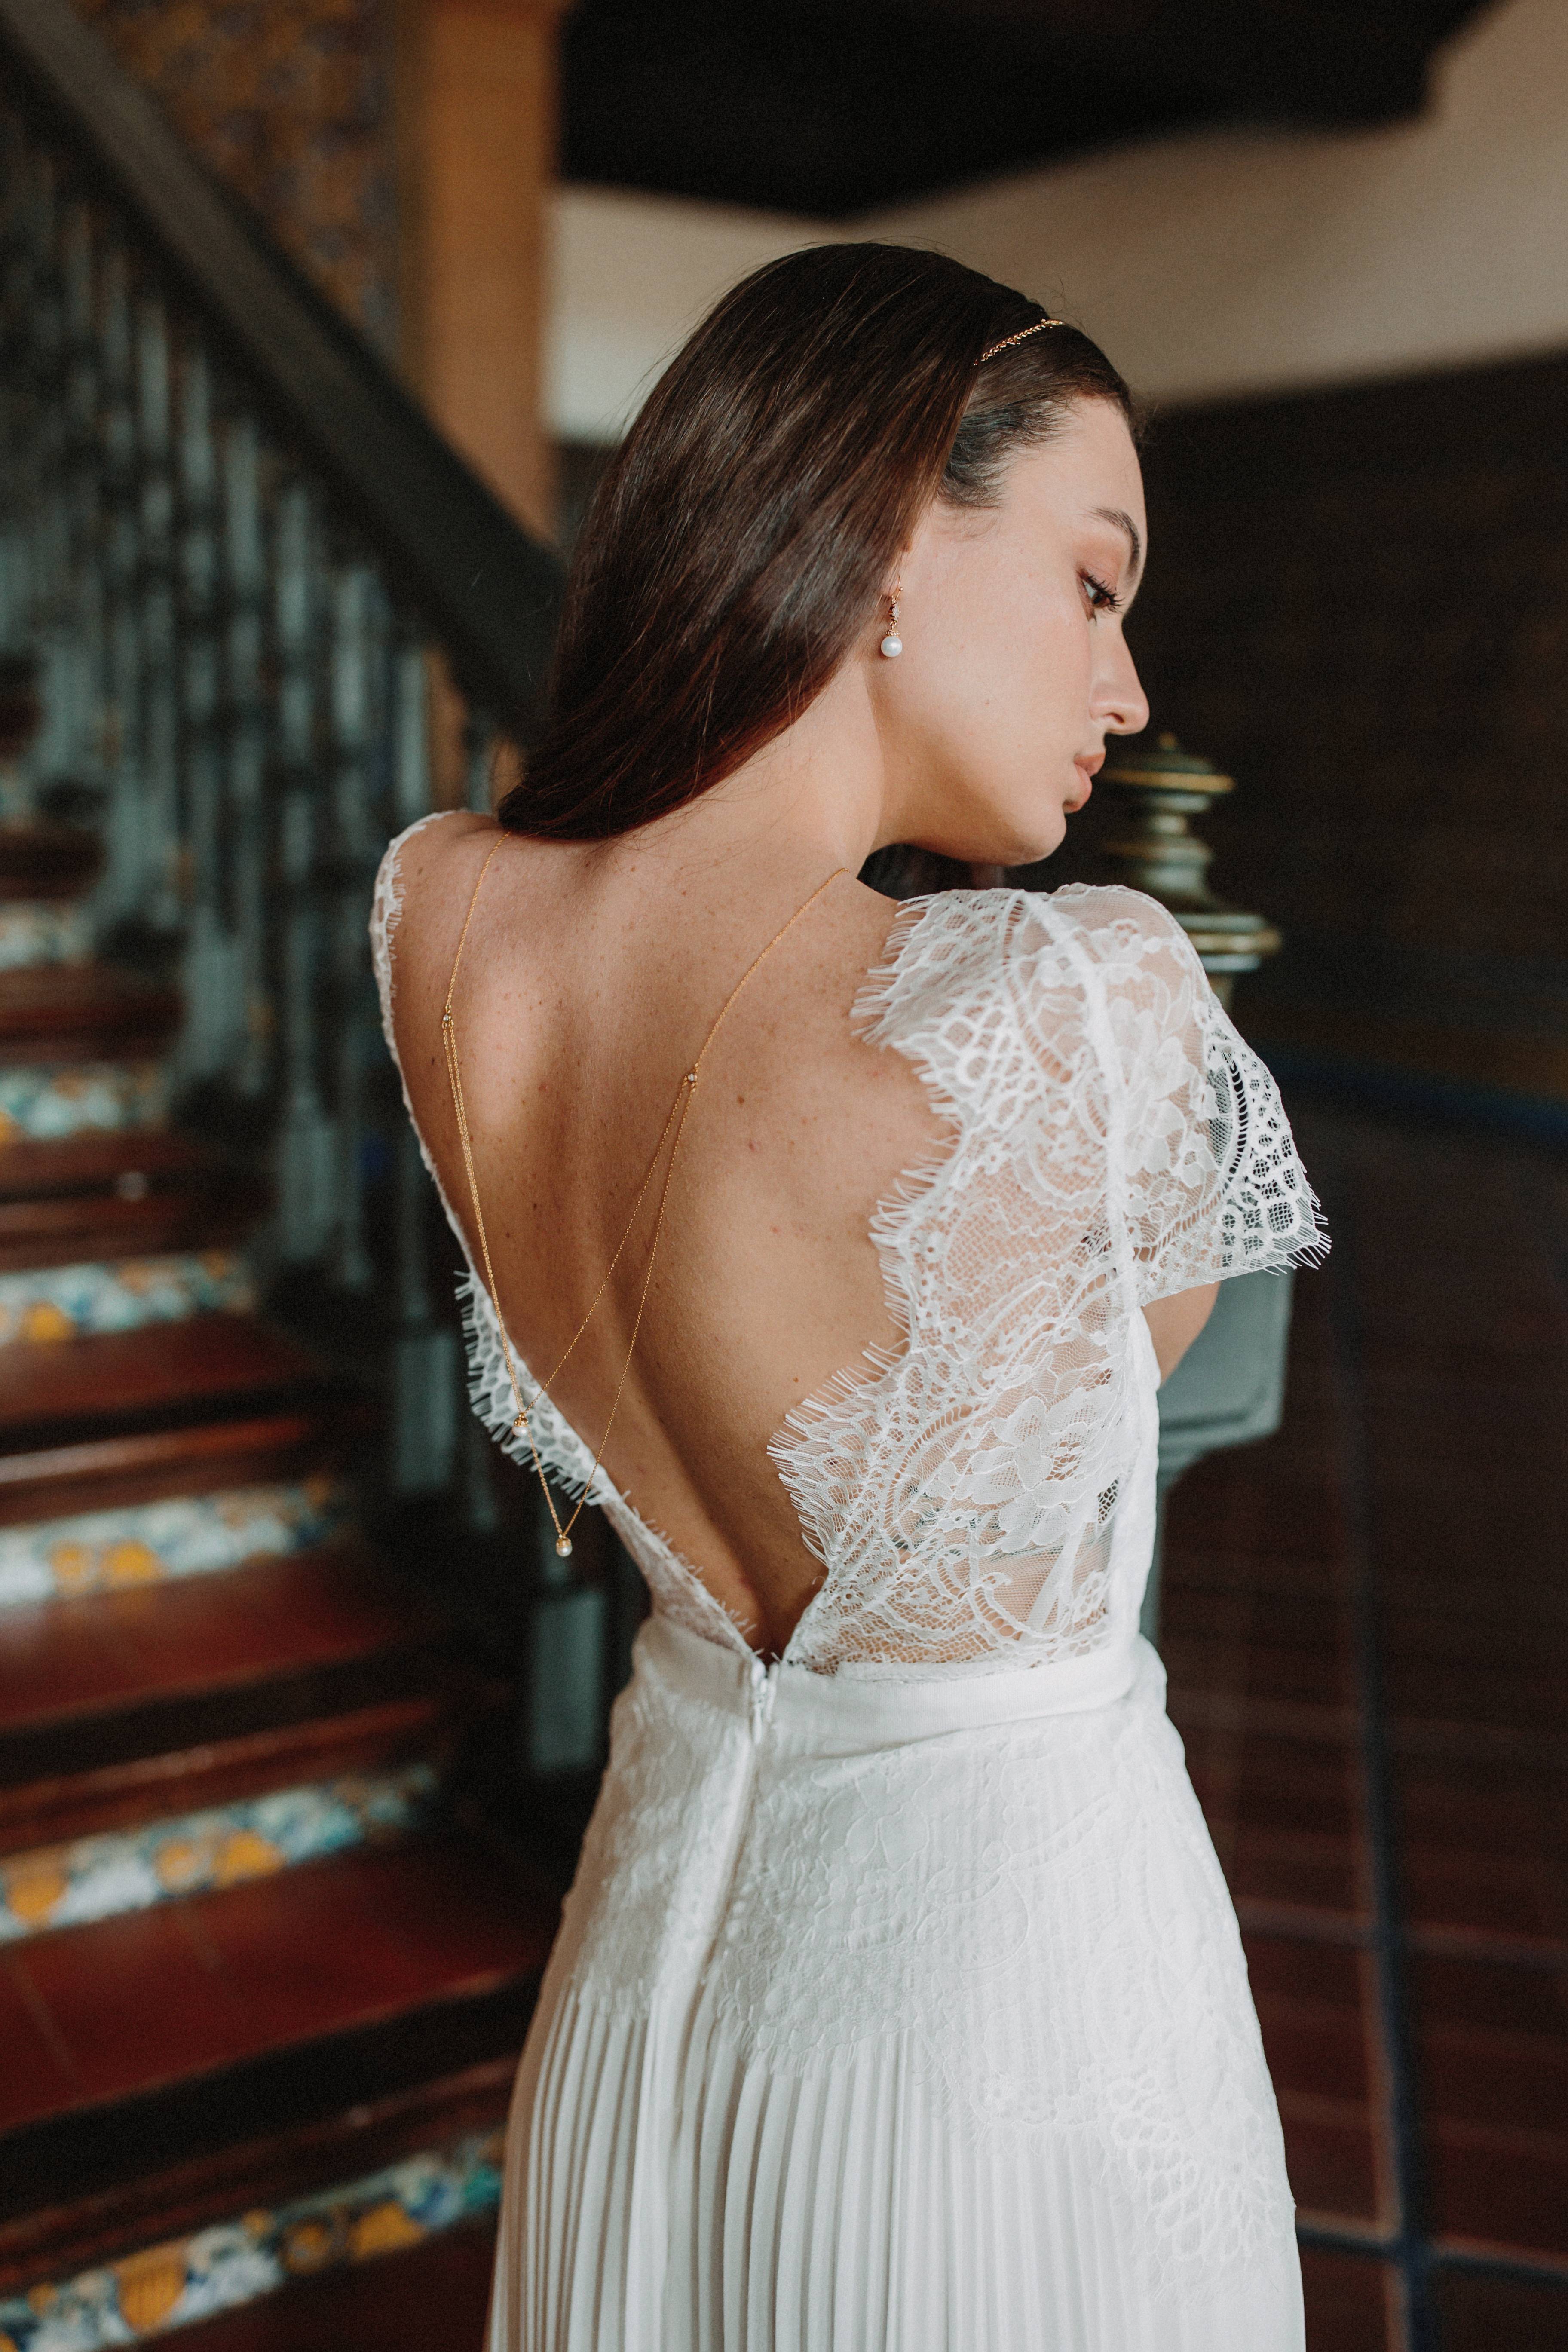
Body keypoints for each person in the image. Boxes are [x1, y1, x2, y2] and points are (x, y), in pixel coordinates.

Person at [373, 242, 1326, 2352]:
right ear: (892, 530)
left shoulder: (447, 922)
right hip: (1003, 2040)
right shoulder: (1079, 990)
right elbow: (1138, 1354)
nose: (1128, 691)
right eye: (1094, 581)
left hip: (644, 1988)